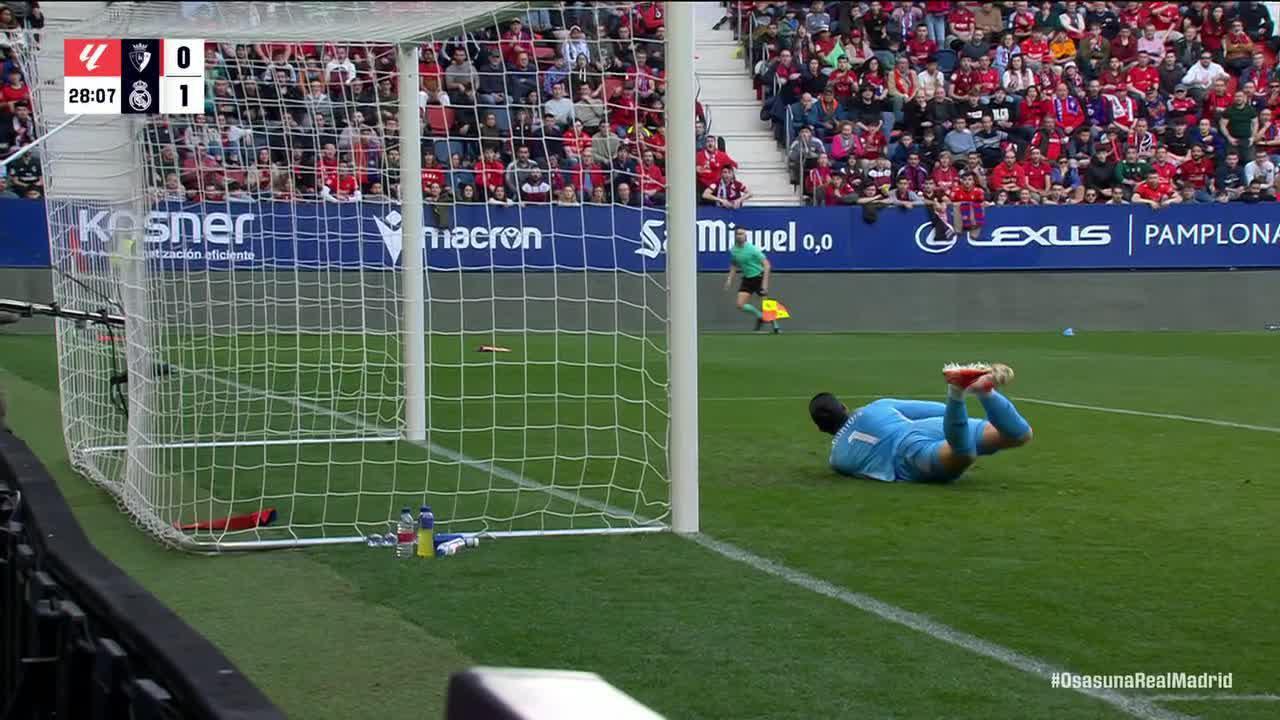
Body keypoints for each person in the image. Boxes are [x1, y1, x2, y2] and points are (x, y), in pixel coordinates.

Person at [809, 363, 1033, 484]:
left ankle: (956, 391)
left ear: (820, 428)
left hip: (909, 452)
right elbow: (941, 411)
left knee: (963, 454)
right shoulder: (878, 407)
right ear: (844, 407)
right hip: (924, 427)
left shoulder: (838, 459)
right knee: (1018, 435)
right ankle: (985, 393)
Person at [722, 228, 780, 333]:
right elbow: (734, 265)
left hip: (758, 277)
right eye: (738, 234)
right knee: (740, 304)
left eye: (742, 234)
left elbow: (767, 265)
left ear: (745, 236)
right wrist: (729, 279)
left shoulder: (752, 249)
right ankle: (760, 316)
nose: (740, 236)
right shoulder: (734, 250)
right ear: (735, 236)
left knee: (766, 304)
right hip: (747, 279)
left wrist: (765, 284)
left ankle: (776, 326)